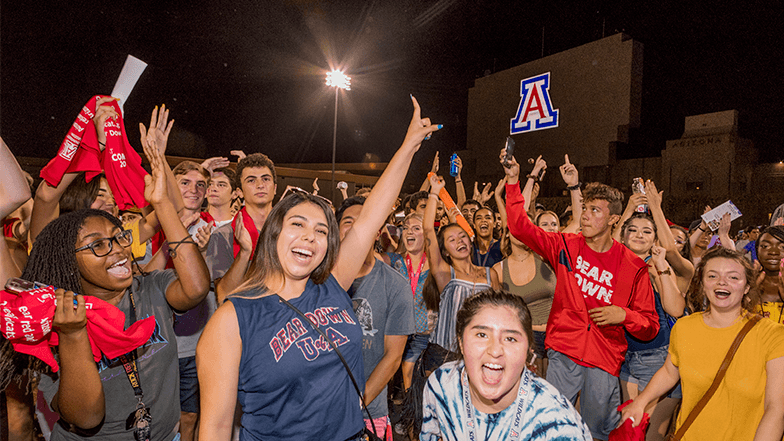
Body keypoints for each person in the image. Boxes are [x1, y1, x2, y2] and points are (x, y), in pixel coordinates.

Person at [196, 96, 440, 441]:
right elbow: (216, 428)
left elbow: (371, 217)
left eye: (322, 231)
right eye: (297, 224)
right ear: (274, 233)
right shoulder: (233, 319)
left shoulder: (333, 284)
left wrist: (409, 146)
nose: (310, 237)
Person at [31, 138, 210, 440]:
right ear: (68, 261)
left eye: (119, 238)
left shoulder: (150, 287)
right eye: (98, 245)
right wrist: (74, 335)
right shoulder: (56, 318)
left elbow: (196, 288)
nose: (117, 251)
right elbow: (86, 417)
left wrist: (163, 203)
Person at [501, 150, 658, 440]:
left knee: (597, 430)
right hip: (564, 350)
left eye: (594, 211)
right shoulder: (565, 246)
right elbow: (520, 227)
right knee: (551, 425)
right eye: (584, 208)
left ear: (613, 219)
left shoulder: (633, 266)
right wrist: (513, 181)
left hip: (604, 357)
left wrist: (625, 315)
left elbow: (650, 325)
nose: (584, 215)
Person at [621, 247, 784, 440]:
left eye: (733, 277)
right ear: (703, 284)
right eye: (712, 276)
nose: (722, 282)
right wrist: (640, 402)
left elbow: (776, 408)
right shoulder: (684, 327)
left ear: (747, 286)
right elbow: (669, 371)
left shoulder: (772, 335)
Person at [420, 289, 592, 440]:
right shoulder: (441, 385)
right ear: (461, 342)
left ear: (528, 350)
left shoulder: (558, 425)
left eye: (510, 338)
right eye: (481, 334)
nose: (495, 350)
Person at [337, 196, 414, 440]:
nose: (357, 226)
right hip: (316, 410)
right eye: (348, 221)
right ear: (336, 230)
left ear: (377, 231)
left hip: (369, 411)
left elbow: (393, 357)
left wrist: (357, 403)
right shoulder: (316, 280)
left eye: (365, 220)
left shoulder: (396, 285)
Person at [616, 212, 685, 441]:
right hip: (625, 357)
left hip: (656, 358)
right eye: (633, 229)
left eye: (647, 231)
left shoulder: (656, 267)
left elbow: (675, 309)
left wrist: (662, 266)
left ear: (654, 240)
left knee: (651, 434)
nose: (639, 234)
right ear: (623, 237)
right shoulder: (615, 265)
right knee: (630, 430)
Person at [206, 152, 278, 304]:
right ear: (239, 191)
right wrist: (244, 253)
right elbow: (223, 294)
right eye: (251, 180)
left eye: (266, 179)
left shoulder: (289, 231)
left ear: (275, 187)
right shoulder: (223, 235)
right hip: (247, 317)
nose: (260, 185)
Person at [492, 229, 556, 377]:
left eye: (524, 226)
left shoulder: (546, 257)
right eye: (517, 226)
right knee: (533, 391)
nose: (521, 230)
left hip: (557, 335)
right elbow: (498, 313)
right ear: (507, 233)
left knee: (559, 392)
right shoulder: (499, 270)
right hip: (527, 337)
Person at [385, 214, 431, 393]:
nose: (409, 231)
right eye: (406, 227)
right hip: (397, 330)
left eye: (416, 228)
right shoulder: (394, 261)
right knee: (390, 374)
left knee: (410, 371)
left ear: (426, 234)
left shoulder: (436, 264)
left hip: (423, 331)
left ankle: (416, 414)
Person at [754, 226, 784, 323]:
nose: (773, 252)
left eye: (782, 247)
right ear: (757, 250)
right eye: (765, 246)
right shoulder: (746, 284)